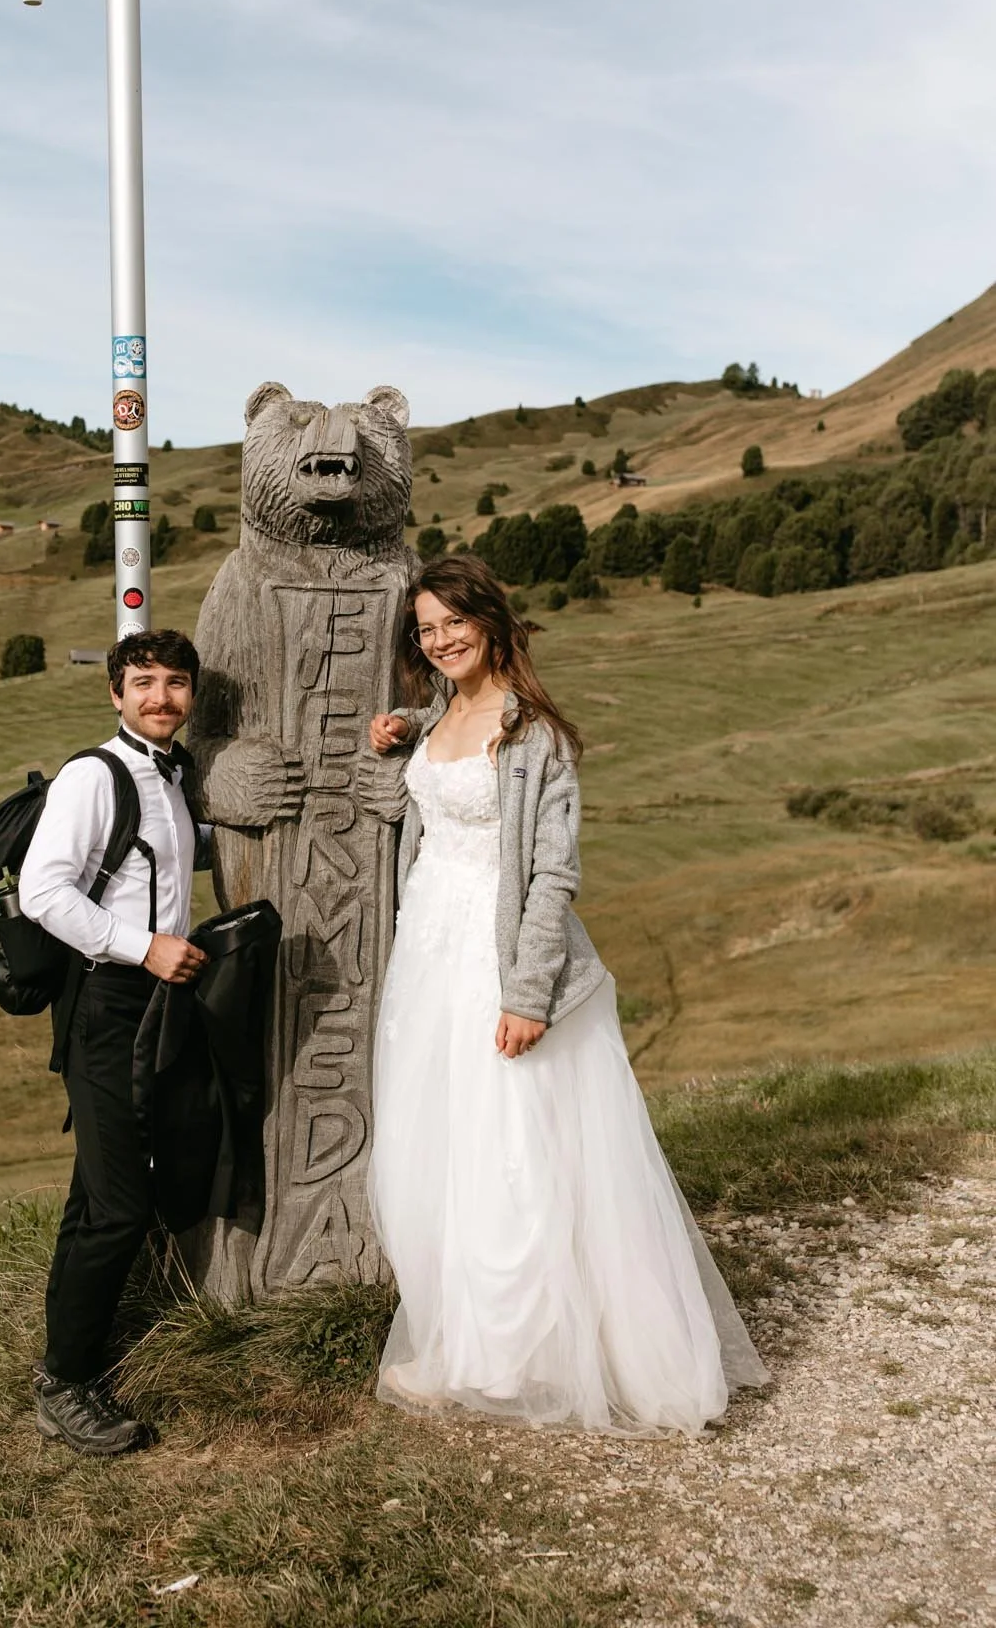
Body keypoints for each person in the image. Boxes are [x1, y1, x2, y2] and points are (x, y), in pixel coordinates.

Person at [365, 555, 766, 1434]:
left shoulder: (532, 734)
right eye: (425, 629)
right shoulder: (437, 717)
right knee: (437, 1145)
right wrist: (392, 742)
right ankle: (462, 1337)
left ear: (490, 621)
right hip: (425, 953)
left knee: (509, 1146)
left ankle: (514, 1352)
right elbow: (407, 816)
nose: (439, 640)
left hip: (496, 957)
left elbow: (552, 875)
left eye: (452, 622)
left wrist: (528, 993)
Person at [18, 629, 207, 1457]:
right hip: (110, 1002)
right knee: (123, 1206)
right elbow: (40, 893)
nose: (159, 697)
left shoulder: (174, 776)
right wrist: (145, 948)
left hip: (160, 1006)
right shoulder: (94, 776)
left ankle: (63, 1362)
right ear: (115, 695)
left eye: (174, 683)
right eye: (142, 683)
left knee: (98, 1195)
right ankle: (66, 1383)